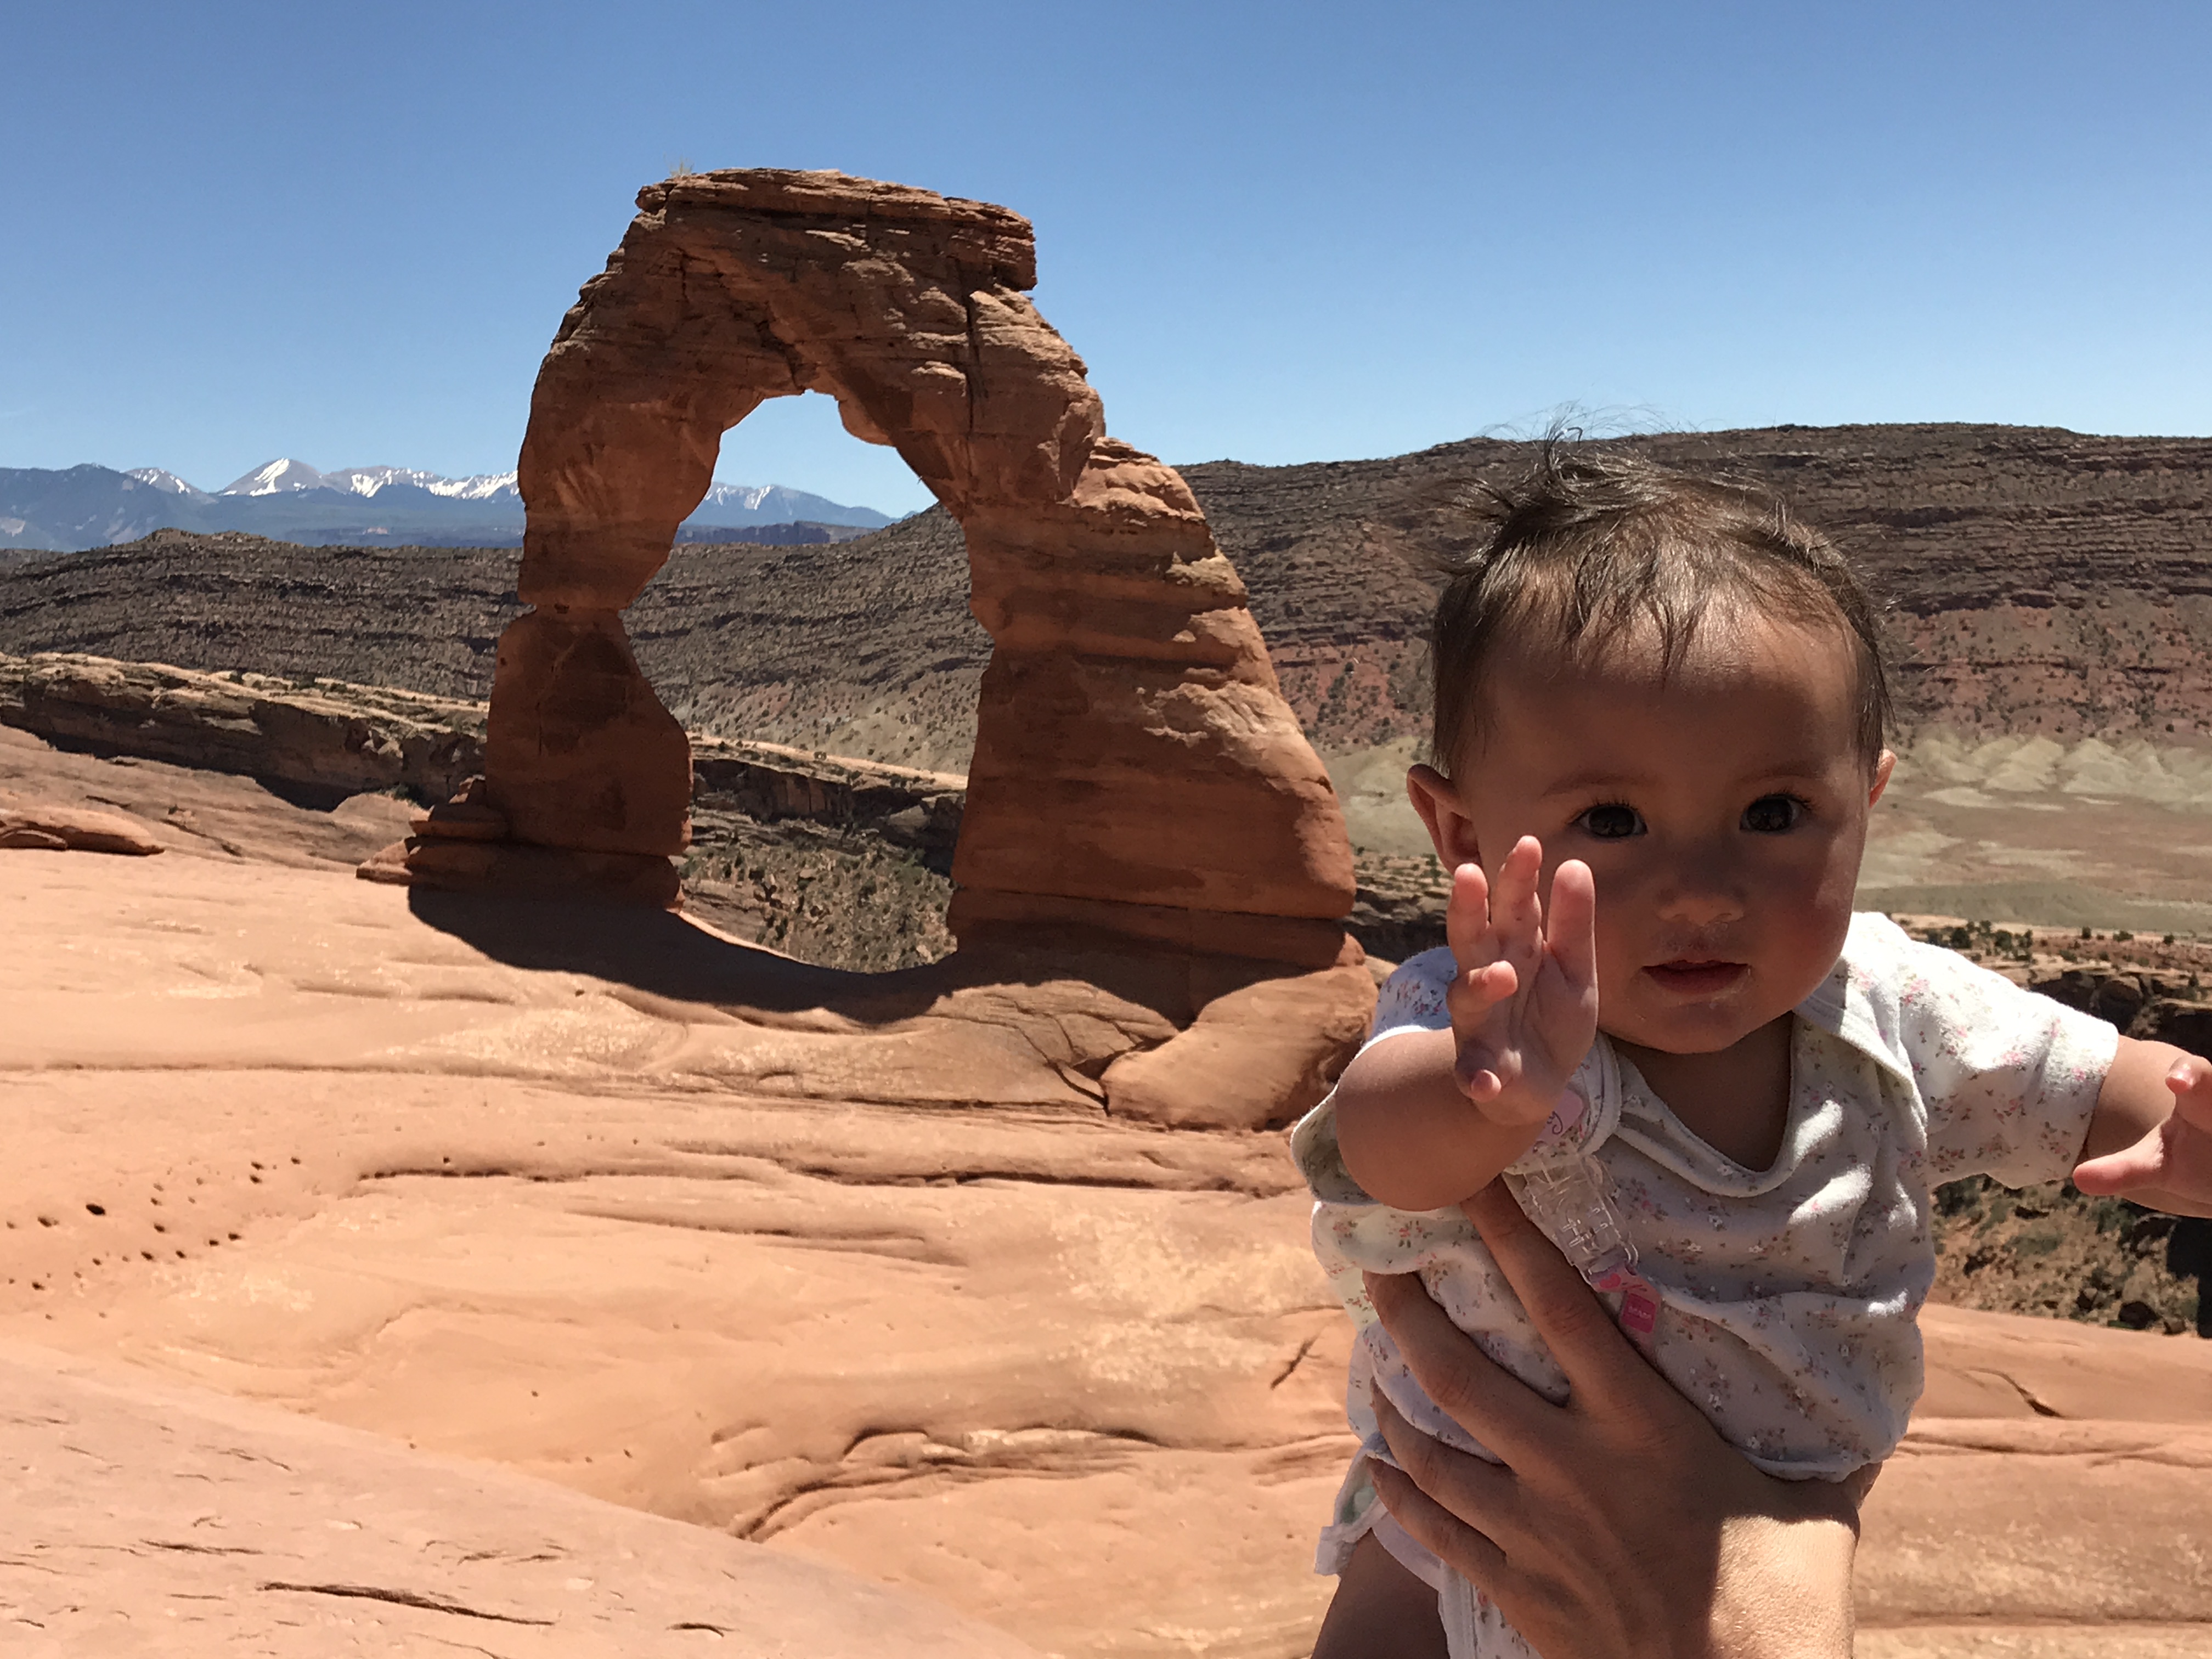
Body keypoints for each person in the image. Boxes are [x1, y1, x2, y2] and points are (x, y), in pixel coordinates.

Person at [1293, 448, 2212, 1658]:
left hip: (1761, 1554)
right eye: (1613, 820)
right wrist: (1483, 1098)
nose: (1701, 890)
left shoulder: (1891, 1002)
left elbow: (2084, 1085)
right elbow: (1375, 1155)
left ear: (1866, 801)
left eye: (1773, 814)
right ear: (1462, 832)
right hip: (1462, 1539)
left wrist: (2178, 1122)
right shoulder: (1489, 1010)